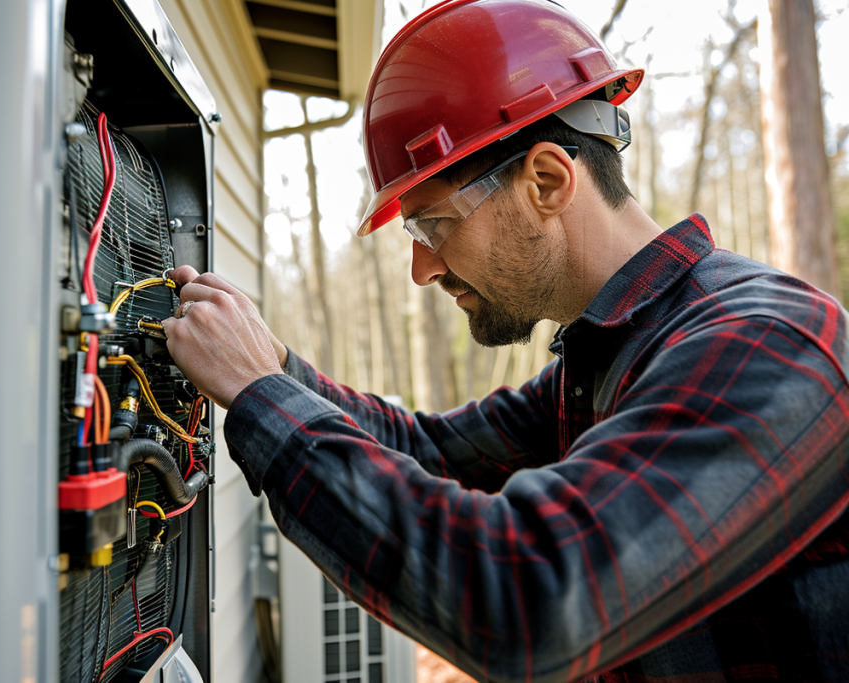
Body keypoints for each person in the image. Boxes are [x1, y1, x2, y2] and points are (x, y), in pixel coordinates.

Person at [161, 1, 849, 681]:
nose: (422, 268)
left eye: (433, 226)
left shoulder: (767, 346)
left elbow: (533, 604)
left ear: (546, 180)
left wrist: (261, 399)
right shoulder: (614, 354)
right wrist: (272, 367)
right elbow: (426, 451)